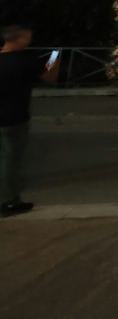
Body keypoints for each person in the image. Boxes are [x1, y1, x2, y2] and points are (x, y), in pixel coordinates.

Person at [0, 25, 60, 218]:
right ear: (18, 39)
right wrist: (54, 57)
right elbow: (49, 77)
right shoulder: (24, 61)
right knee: (10, 160)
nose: (29, 41)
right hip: (13, 118)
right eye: (27, 38)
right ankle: (9, 202)